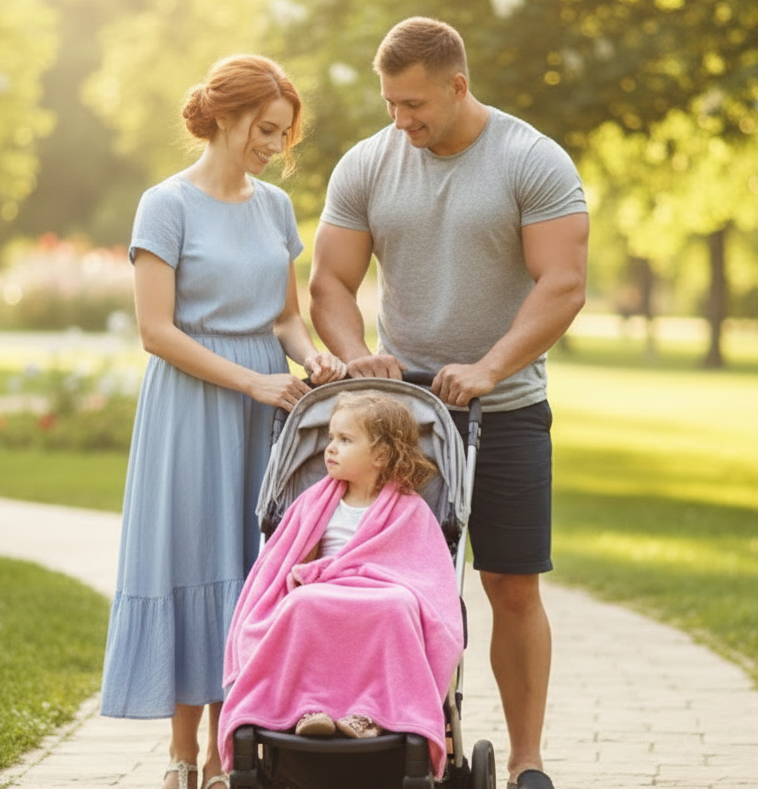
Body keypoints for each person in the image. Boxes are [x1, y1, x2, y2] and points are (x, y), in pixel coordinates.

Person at [308, 17, 589, 790]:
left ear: (458, 85)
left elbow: (563, 283)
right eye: (391, 103)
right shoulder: (368, 162)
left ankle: (528, 761)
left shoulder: (531, 160)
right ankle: (401, 736)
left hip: (505, 409)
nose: (401, 120)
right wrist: (360, 360)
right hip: (400, 420)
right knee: (391, 584)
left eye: (414, 104)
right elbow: (330, 283)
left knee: (511, 582)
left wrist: (492, 366)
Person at [100, 54, 345, 790]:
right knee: (195, 561)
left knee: (253, 568)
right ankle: (182, 755)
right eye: (267, 130)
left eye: (285, 134)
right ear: (228, 116)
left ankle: (226, 754)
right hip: (192, 406)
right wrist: (251, 380)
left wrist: (316, 360)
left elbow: (285, 318)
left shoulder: (273, 208)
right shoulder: (164, 205)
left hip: (266, 413)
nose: (276, 146)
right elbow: (157, 331)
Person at [218, 391, 464, 779]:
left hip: (382, 592)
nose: (330, 449)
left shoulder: (410, 509)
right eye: (331, 438)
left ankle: (372, 713)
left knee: (398, 605)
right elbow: (284, 560)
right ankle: (308, 706)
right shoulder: (313, 503)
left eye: (345, 440)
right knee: (302, 604)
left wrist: (367, 578)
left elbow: (423, 570)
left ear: (381, 455)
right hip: (325, 590)